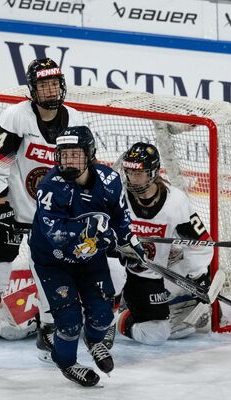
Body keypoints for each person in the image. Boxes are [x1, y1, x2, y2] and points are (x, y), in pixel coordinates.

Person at [0, 57, 84, 371]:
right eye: (43, 85)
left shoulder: (76, 120)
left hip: (50, 216)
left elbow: (80, 172)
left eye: (54, 83)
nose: (50, 90)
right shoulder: (15, 117)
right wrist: (1, 206)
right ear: (33, 89)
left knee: (51, 276)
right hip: (11, 211)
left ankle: (48, 330)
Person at [29, 126, 146, 387]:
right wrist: (96, 237)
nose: (68, 161)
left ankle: (94, 342)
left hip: (89, 259)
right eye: (63, 155)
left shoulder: (109, 181)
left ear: (89, 154)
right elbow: (56, 235)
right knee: (69, 321)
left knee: (103, 315)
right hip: (53, 261)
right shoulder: (50, 186)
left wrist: (129, 242)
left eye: (75, 155)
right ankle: (67, 363)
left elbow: (120, 219)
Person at [114, 142, 214, 345]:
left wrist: (199, 276)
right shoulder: (117, 195)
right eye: (129, 173)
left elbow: (199, 242)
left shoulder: (175, 201)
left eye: (139, 173)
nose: (133, 179)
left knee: (156, 335)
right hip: (116, 270)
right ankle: (109, 310)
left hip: (149, 275)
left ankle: (120, 318)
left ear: (153, 173)